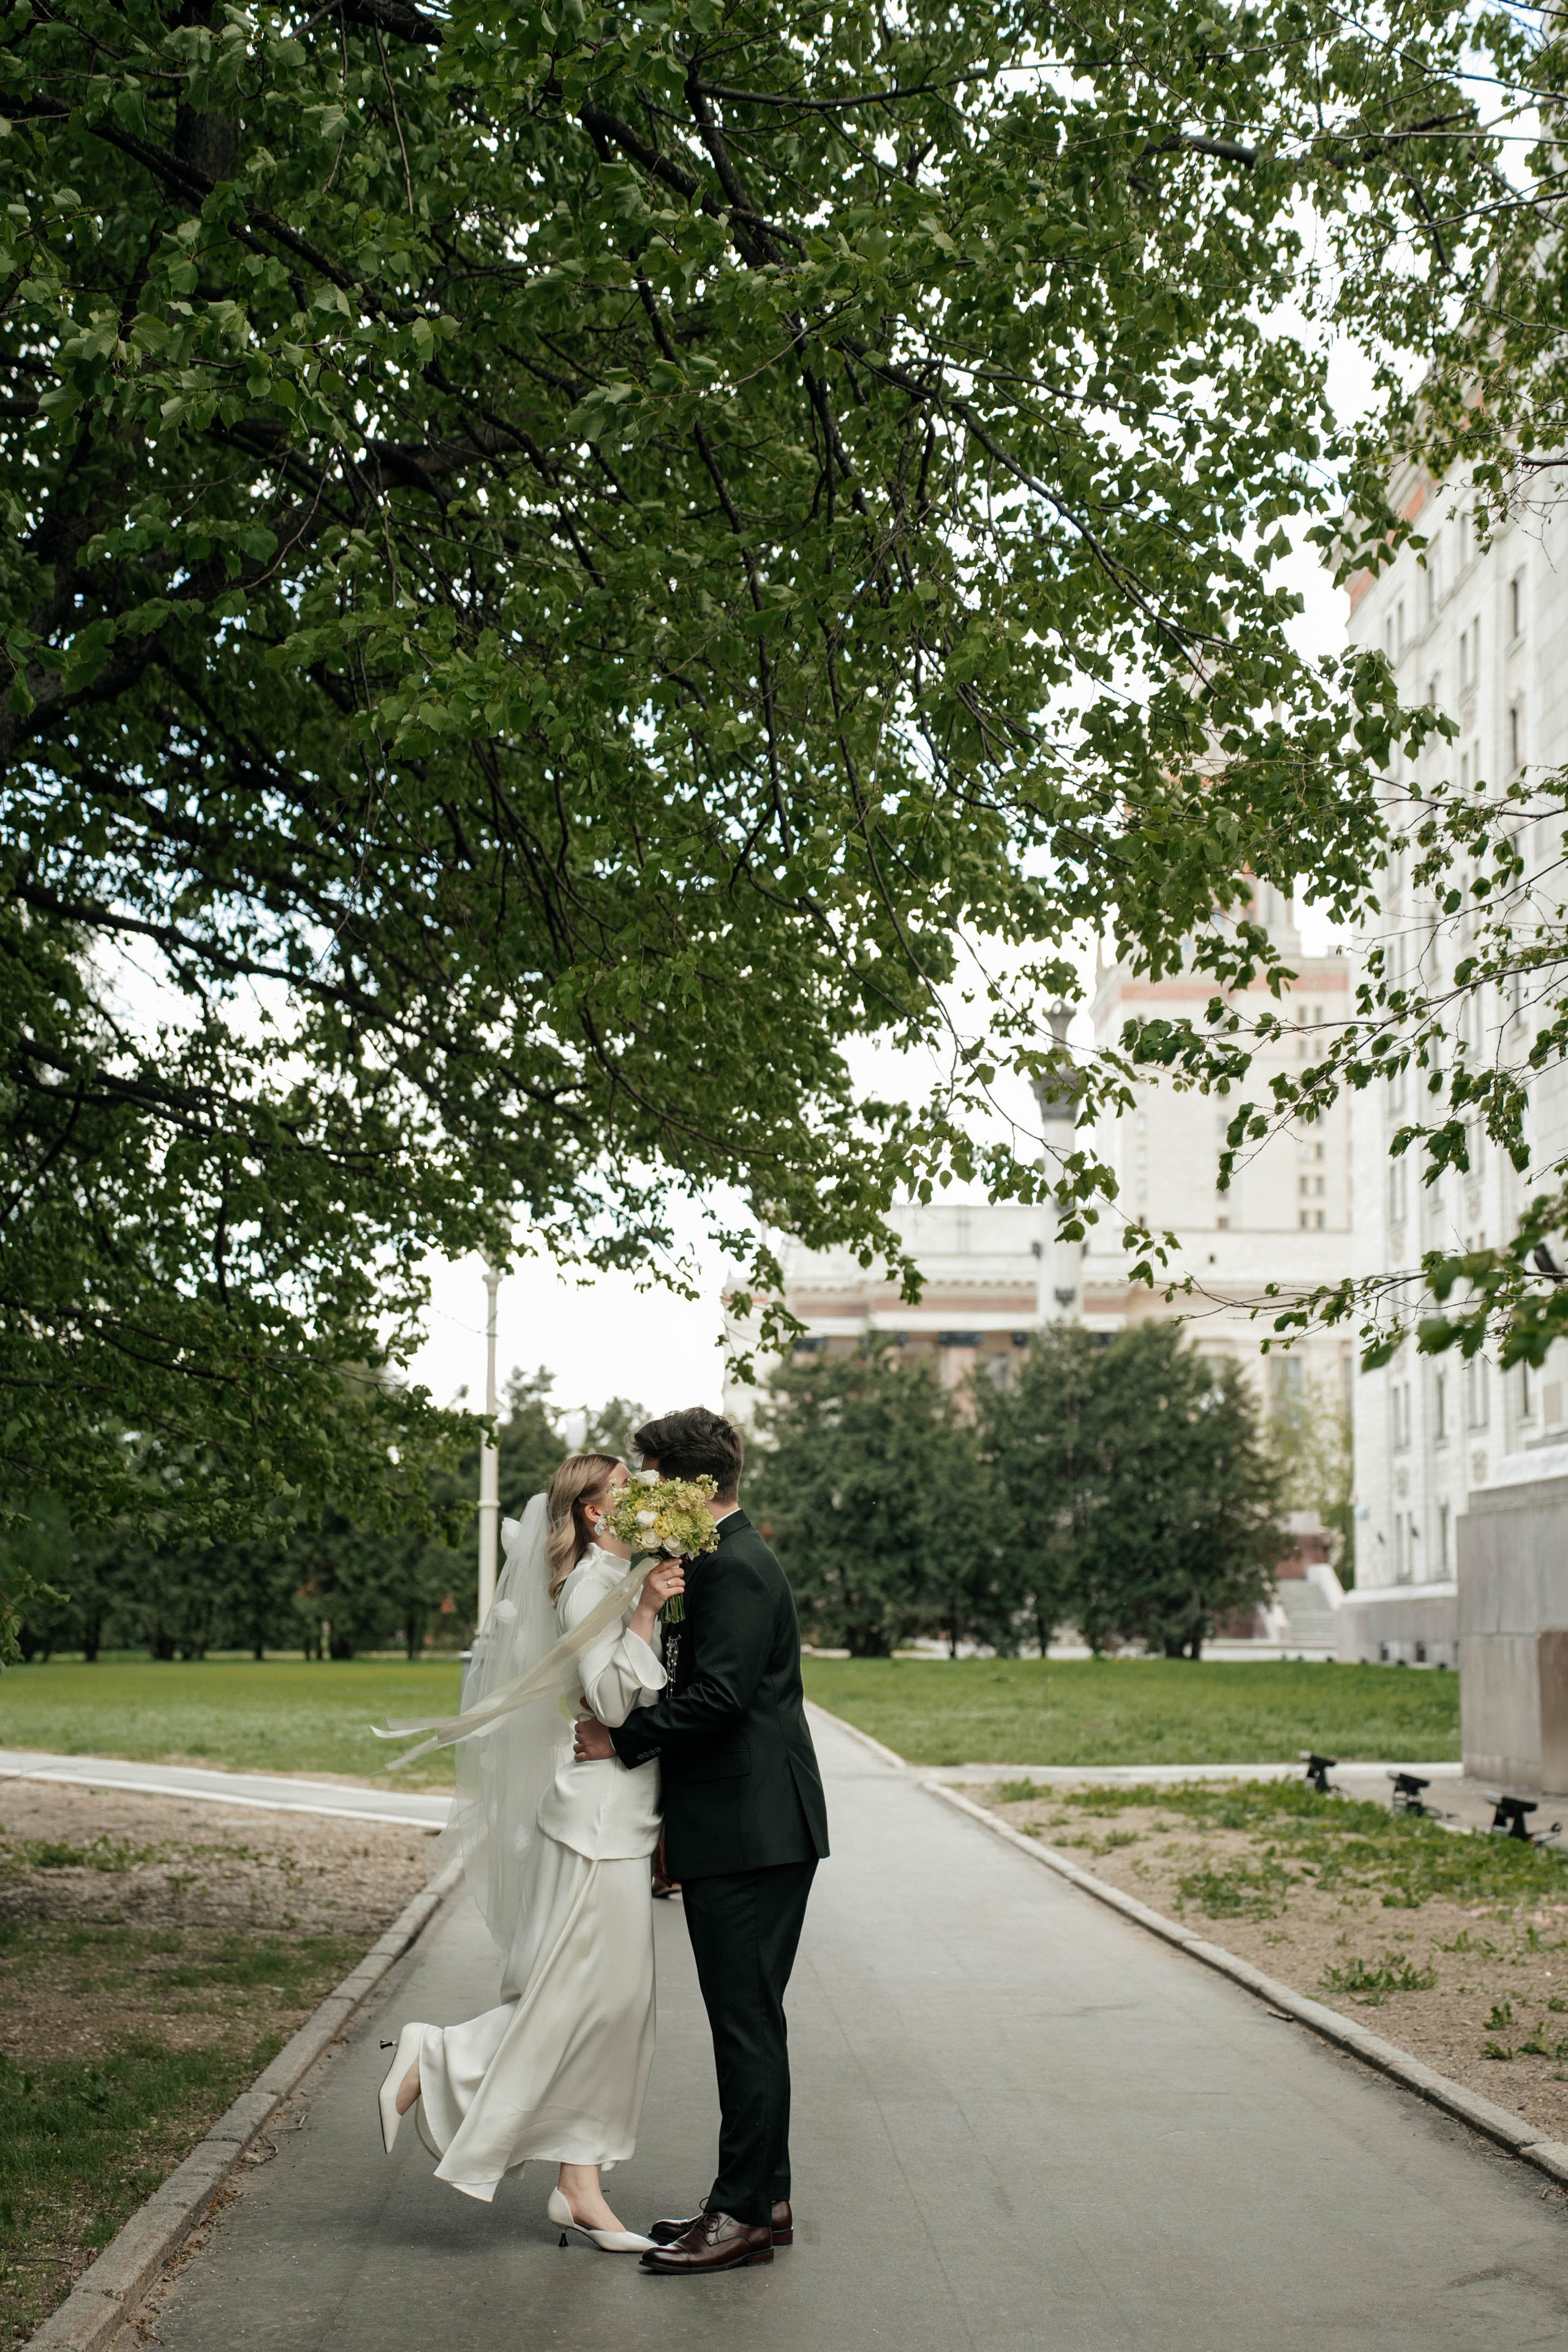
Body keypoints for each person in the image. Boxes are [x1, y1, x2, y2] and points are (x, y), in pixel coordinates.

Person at [377, 1453, 685, 2249]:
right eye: (624, 1490)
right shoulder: (592, 1584)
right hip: (592, 1828)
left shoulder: (618, 1578)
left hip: (619, 1815)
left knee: (613, 2012)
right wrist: (647, 1614)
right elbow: (615, 1702)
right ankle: (434, 2056)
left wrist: (648, 1603)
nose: (640, 1499)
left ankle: (579, 2184)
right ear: (590, 1512)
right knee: (573, 2002)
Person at [573, 1405, 830, 2277]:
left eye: (646, 1471)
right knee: (752, 2018)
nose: (637, 1486)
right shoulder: (712, 1562)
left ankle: (742, 2214)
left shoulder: (739, 1570)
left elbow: (720, 1698)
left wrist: (620, 1740)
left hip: (754, 1829)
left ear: (686, 1485)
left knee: (744, 2023)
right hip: (744, 1824)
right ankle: (767, 2196)